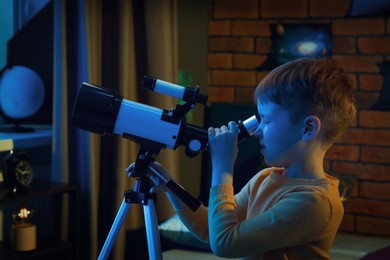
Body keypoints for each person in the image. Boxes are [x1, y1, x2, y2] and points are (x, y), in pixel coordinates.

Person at [127, 57, 357, 259]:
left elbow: (226, 244)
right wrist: (169, 185)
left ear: (308, 128)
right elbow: (211, 228)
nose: (257, 131)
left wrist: (222, 167)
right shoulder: (267, 177)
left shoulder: (314, 203)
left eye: (266, 120)